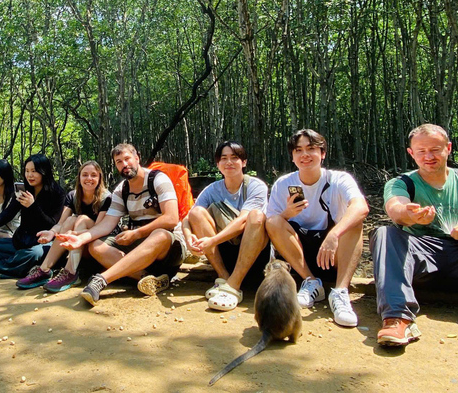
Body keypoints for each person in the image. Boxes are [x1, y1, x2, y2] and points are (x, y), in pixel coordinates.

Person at [265, 129, 369, 327]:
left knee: (355, 222)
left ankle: (340, 292)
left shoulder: (339, 180)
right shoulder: (283, 183)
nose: (305, 155)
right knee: (274, 221)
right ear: (292, 157)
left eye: (311, 148)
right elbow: (272, 224)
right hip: (300, 252)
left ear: (322, 153)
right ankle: (311, 282)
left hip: (333, 251)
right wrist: (287, 213)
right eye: (298, 150)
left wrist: (334, 234)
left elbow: (361, 207)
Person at [58, 143, 183, 305]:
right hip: (138, 246)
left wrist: (137, 233)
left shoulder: (158, 179)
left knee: (159, 234)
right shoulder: (121, 190)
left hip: (167, 249)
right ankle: (147, 278)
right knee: (95, 245)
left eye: (127, 159)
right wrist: (81, 239)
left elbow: (171, 218)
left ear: (137, 158)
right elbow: (106, 225)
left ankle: (102, 280)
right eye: (118, 162)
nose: (124, 165)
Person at [372, 123, 458, 346]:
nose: (428, 156)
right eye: (421, 151)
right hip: (420, 254)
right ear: (411, 153)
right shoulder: (403, 183)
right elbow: (395, 208)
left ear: (448, 148)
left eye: (435, 150)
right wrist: (410, 215)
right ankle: (397, 317)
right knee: (384, 234)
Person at [182, 141, 270, 311]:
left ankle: (233, 286)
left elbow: (244, 220)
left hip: (254, 250)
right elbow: (187, 218)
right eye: (224, 158)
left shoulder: (256, 186)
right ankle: (223, 277)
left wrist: (212, 240)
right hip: (225, 251)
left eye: (234, 158)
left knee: (256, 216)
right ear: (218, 164)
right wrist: (188, 238)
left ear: (243, 162)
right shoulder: (212, 189)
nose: (229, 162)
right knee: (197, 213)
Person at [0, 154, 66, 278]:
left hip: (42, 242)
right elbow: (7, 214)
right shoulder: (24, 190)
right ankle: (23, 264)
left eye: (34, 171)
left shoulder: (57, 193)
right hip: (22, 240)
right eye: (27, 171)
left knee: (33, 254)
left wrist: (33, 206)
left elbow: (52, 224)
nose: (29, 175)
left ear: (44, 171)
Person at [16, 161, 112, 292]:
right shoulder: (73, 195)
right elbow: (61, 223)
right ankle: (44, 269)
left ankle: (70, 272)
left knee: (81, 218)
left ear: (99, 178)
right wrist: (51, 233)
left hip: (97, 240)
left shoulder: (106, 198)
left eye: (93, 175)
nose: (89, 179)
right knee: (71, 219)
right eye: (85, 175)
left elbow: (99, 229)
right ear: (79, 177)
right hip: (77, 240)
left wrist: (75, 234)